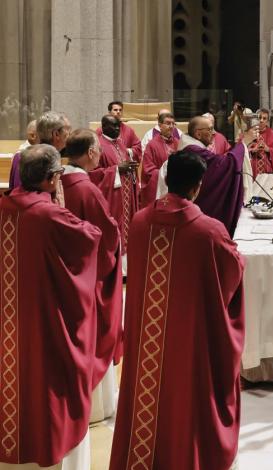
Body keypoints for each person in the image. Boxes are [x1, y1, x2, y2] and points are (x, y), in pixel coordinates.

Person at [108, 150, 245, 470]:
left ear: (167, 180)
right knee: (192, 407)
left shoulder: (139, 221)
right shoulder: (209, 231)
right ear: (198, 187)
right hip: (192, 345)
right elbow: (230, 276)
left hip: (149, 350)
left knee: (153, 411)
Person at [0, 144, 101, 470]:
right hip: (44, 320)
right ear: (53, 178)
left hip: (8, 325)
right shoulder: (50, 215)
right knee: (47, 383)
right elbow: (91, 239)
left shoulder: (3, 207)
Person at [61, 129, 123, 422]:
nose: (101, 153)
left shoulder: (57, 182)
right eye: (98, 149)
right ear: (89, 153)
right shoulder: (86, 189)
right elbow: (106, 233)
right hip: (89, 276)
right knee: (95, 332)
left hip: (65, 274)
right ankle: (97, 406)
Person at [175, 115, 256, 236]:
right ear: (198, 134)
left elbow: (220, 160)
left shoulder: (191, 147)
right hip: (196, 214)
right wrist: (243, 143)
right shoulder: (193, 151)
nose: (214, 133)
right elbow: (225, 164)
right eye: (210, 129)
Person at [89, 114, 139, 262]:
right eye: (113, 126)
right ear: (104, 127)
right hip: (111, 198)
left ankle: (125, 267)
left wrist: (130, 169)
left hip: (126, 195)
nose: (117, 129)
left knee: (127, 228)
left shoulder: (121, 144)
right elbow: (93, 174)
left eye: (119, 125)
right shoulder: (99, 147)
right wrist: (117, 170)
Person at [9, 112, 70, 190]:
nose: (69, 134)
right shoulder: (25, 158)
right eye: (68, 129)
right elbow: (19, 194)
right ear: (56, 134)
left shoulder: (58, 156)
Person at [141, 112, 179, 208]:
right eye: (167, 123)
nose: (171, 126)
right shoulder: (152, 145)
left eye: (173, 124)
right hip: (160, 186)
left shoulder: (179, 143)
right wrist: (165, 175)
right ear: (160, 126)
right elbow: (148, 169)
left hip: (177, 186)